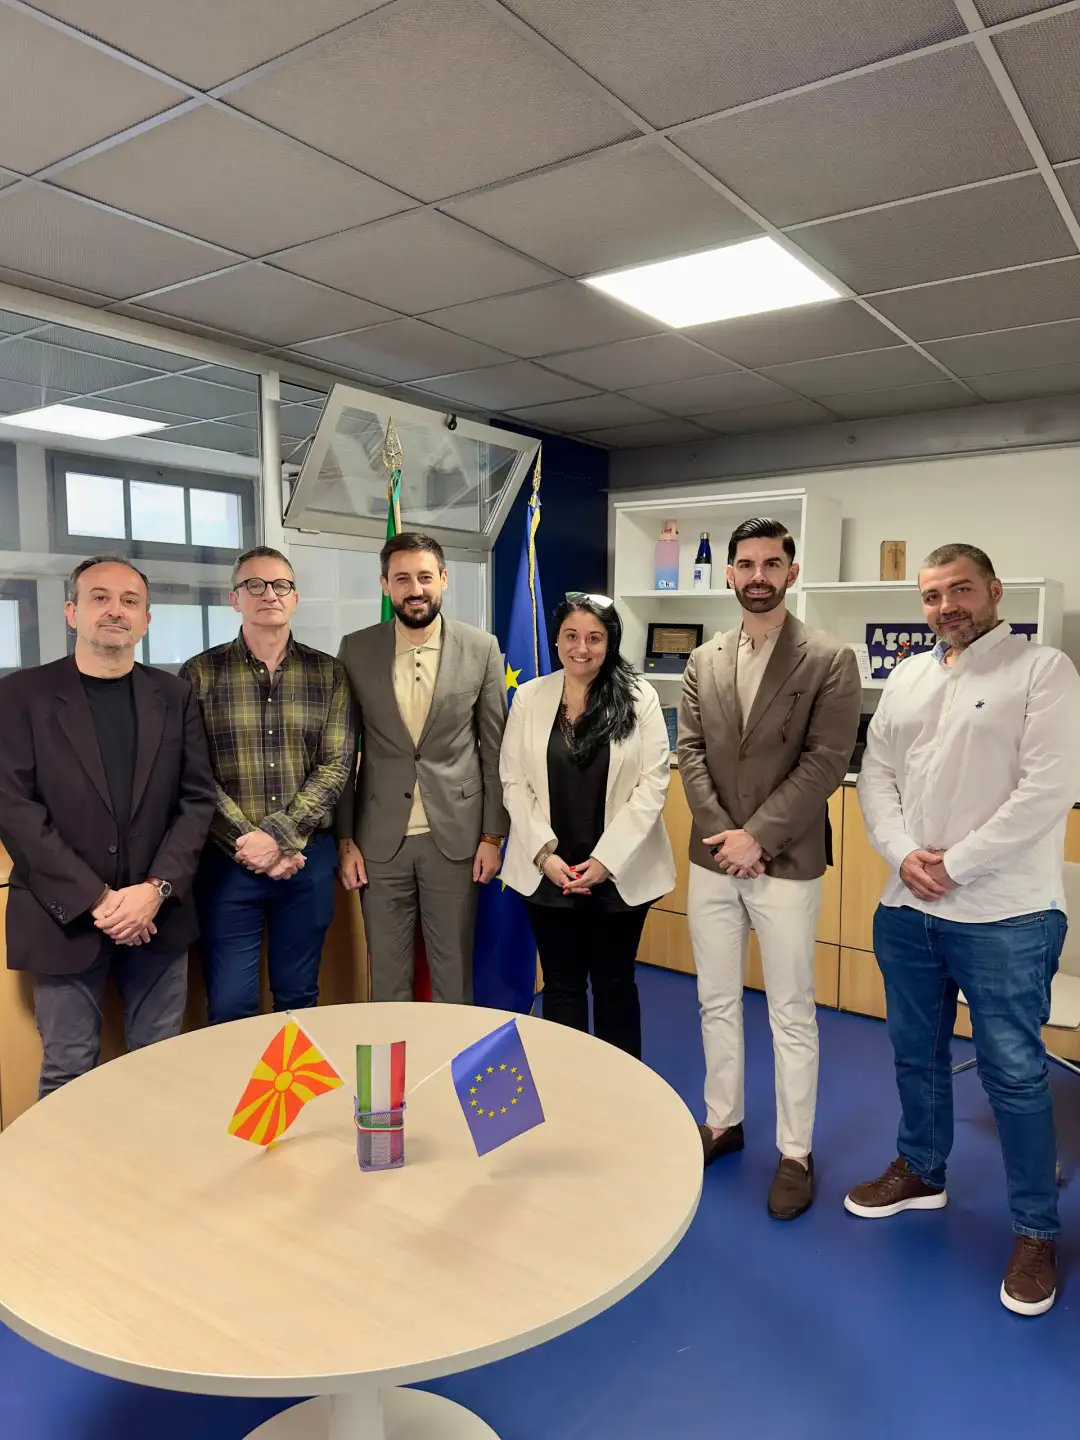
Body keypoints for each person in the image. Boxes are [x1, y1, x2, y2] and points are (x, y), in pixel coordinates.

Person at [848, 543, 1080, 1316]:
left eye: (960, 590)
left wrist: (957, 864)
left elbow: (1048, 789)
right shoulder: (908, 676)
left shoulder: (1042, 671)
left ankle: (1035, 1231)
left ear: (993, 591)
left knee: (1013, 1074)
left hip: (1006, 913)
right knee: (915, 1053)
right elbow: (876, 775)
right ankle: (921, 1169)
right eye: (931, 595)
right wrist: (903, 854)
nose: (945, 606)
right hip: (908, 906)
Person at [678, 518, 861, 1219]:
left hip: (786, 862)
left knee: (790, 1010)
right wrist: (725, 837)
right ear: (728, 573)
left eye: (771, 563)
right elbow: (691, 753)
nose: (758, 575)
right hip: (713, 860)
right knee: (716, 999)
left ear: (791, 570)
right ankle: (721, 1121)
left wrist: (756, 838)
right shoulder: (703, 660)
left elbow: (825, 762)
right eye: (746, 564)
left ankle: (795, 1152)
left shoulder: (830, 659)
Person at [0, 557, 216, 1096]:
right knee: (68, 1072)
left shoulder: (175, 696)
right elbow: (14, 809)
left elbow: (196, 801)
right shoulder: (21, 696)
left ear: (146, 620)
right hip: (62, 918)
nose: (115, 610)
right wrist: (97, 899)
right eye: (100, 598)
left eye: (129, 601)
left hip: (157, 917)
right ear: (72, 612)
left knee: (160, 1071)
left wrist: (154, 891)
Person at [180, 546, 356, 1024]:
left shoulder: (329, 673)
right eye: (254, 585)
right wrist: (250, 843)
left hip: (306, 861)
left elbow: (336, 765)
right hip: (226, 863)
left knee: (299, 998)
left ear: (295, 598)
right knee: (230, 1003)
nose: (268, 594)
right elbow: (194, 772)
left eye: (280, 585)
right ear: (234, 599)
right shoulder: (199, 673)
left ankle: (293, 1080)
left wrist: (278, 838)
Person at [336, 532, 508, 1003]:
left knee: (453, 975)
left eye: (425, 577)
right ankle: (394, 1056)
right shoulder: (356, 649)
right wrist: (346, 841)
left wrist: (493, 837)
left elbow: (495, 751)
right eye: (402, 579)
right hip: (378, 841)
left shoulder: (481, 648)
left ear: (444, 580)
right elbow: (342, 755)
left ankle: (453, 1054)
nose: (415, 589)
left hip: (456, 838)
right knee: (387, 978)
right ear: (385, 585)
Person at [500, 594, 675, 1057]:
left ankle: (621, 1089)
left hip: (619, 874)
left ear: (610, 642)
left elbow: (653, 784)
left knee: (614, 984)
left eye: (595, 638)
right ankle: (569, 1084)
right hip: (549, 873)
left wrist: (605, 861)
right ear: (557, 640)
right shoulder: (529, 697)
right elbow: (513, 781)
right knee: (562, 985)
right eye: (572, 636)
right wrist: (544, 854)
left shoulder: (640, 697)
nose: (582, 648)